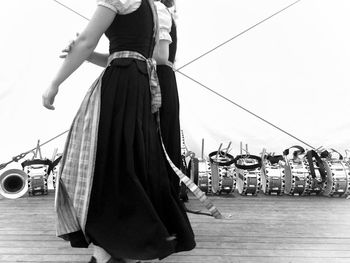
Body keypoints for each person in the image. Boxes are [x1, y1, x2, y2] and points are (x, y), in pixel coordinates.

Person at [42, 0, 195, 262]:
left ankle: (110, 248)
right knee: (128, 165)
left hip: (121, 87)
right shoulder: (153, 7)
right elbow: (134, 55)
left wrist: (54, 84)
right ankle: (120, 247)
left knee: (100, 165)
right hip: (138, 85)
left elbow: (87, 41)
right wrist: (87, 53)